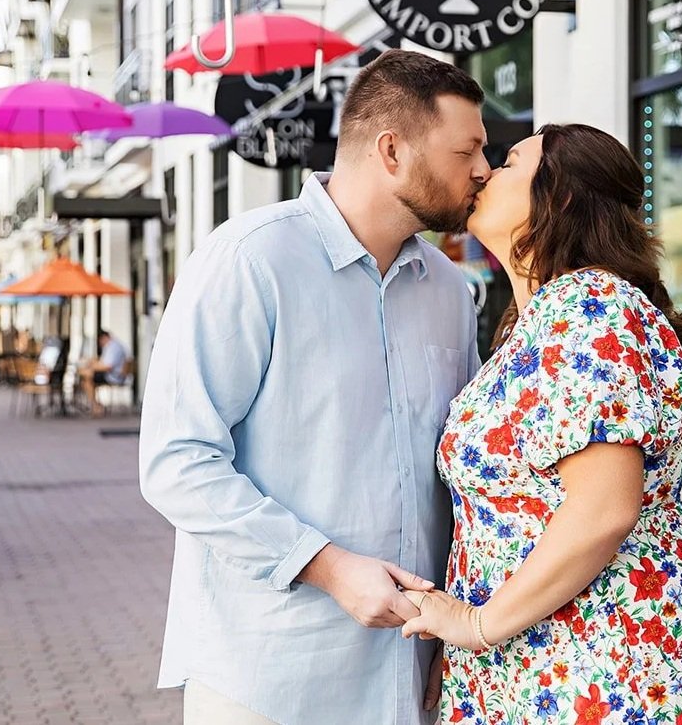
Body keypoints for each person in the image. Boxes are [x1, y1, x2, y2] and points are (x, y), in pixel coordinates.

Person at [139, 50, 491, 725]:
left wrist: (461, 629)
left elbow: (461, 474)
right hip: (269, 678)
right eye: (466, 149)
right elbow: (176, 462)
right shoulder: (249, 261)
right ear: (392, 151)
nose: (483, 169)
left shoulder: (450, 289)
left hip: (410, 674)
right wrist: (325, 565)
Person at [402, 125, 682, 724]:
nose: (483, 173)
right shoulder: (536, 321)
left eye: (507, 163)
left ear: (560, 197)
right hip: (561, 657)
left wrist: (477, 625)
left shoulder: (588, 304)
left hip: (617, 664)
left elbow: (604, 508)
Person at [78, 329, 127, 416]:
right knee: (86, 378)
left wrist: (91, 367)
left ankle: (96, 406)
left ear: (104, 338)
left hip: (113, 376)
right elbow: (103, 362)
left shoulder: (113, 347)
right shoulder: (111, 346)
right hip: (113, 375)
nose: (100, 344)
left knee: (87, 376)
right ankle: (96, 405)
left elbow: (107, 366)